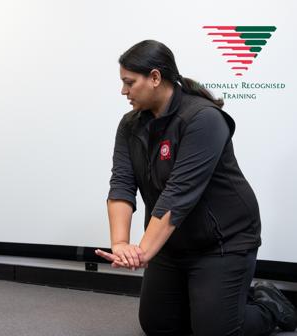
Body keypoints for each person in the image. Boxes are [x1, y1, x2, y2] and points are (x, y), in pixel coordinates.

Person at [95, 40, 297, 335]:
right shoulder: (130, 125)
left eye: (129, 82)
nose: (123, 91)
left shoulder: (203, 119)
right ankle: (213, 302)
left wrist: (142, 252)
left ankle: (270, 307)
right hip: (172, 242)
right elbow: (122, 183)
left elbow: (179, 194)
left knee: (214, 331)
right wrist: (121, 244)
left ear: (154, 77)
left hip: (223, 241)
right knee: (158, 325)